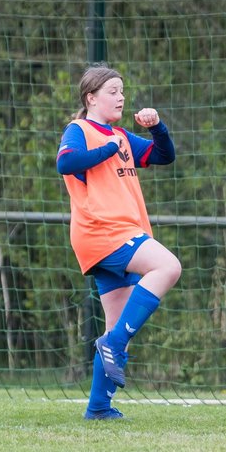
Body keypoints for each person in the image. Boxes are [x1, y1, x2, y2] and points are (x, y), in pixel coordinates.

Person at [57, 65, 179, 420]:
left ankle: (98, 407)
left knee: (116, 322)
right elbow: (66, 163)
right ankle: (112, 345)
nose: (121, 97)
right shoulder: (80, 130)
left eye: (122, 90)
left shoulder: (120, 136)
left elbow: (163, 155)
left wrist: (157, 128)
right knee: (168, 266)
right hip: (103, 231)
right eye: (112, 91)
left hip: (118, 232)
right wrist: (108, 148)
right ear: (90, 98)